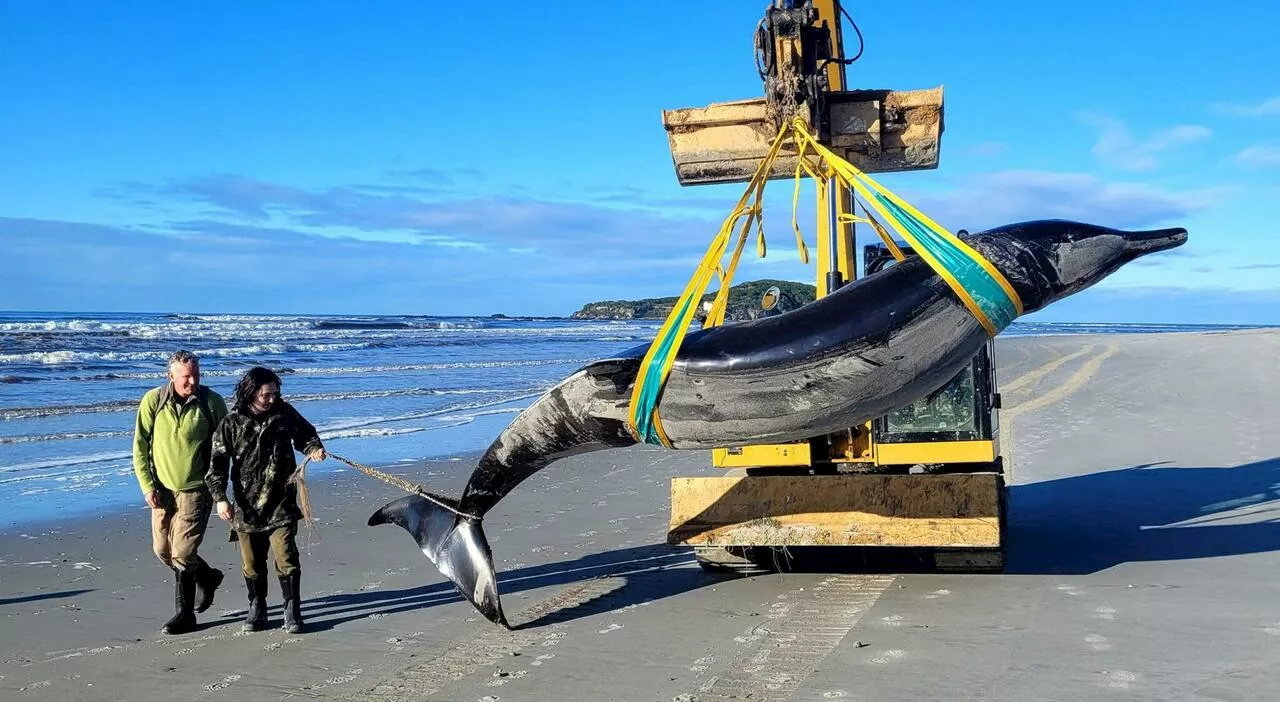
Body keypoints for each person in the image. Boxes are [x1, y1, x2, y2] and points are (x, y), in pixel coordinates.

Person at [207, 366, 325, 634]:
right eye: (266, 394)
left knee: (286, 556)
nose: (272, 398)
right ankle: (257, 607)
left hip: (281, 501)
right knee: (252, 563)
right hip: (246, 507)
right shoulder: (232, 422)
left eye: (275, 393)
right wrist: (220, 499)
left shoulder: (284, 413)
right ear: (251, 392)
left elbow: (306, 434)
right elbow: (217, 463)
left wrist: (314, 448)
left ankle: (292, 610)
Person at [132, 350, 229, 635]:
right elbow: (140, 446)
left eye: (196, 375)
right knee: (162, 550)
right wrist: (147, 485)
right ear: (171, 375)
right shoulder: (153, 400)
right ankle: (208, 577)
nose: (192, 381)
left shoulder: (211, 402)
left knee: (183, 552)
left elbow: (225, 447)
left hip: (197, 489)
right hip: (162, 490)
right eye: (186, 376)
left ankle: (184, 615)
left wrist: (220, 489)